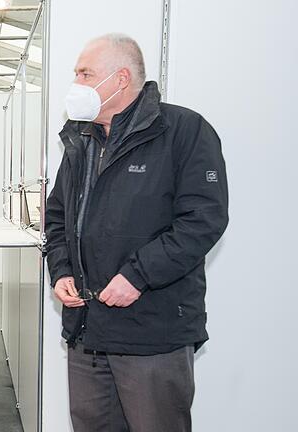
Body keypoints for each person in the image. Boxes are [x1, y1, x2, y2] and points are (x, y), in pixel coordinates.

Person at [45, 33, 228, 432]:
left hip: (153, 332)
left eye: (84, 73)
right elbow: (57, 215)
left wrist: (138, 275)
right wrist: (60, 271)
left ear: (121, 78)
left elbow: (203, 220)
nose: (76, 82)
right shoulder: (81, 138)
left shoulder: (183, 131)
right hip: (87, 329)